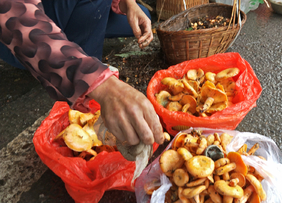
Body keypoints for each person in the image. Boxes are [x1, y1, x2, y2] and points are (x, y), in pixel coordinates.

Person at [0, 0, 164, 147]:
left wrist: (130, 5)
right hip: (18, 36)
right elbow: (13, 12)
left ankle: (77, 30)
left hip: (64, 9)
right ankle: (74, 54)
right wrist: (102, 85)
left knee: (143, 14)